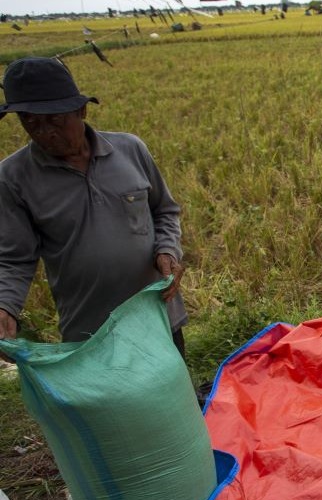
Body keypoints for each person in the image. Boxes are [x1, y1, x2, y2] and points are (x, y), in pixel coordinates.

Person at [0, 56, 187, 354]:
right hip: (91, 331)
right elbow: (14, 258)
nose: (44, 132)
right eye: (30, 121)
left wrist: (167, 250)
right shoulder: (13, 177)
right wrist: (5, 306)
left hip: (159, 315)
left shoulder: (130, 150)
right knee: (113, 402)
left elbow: (164, 210)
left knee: (174, 399)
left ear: (81, 110)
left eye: (54, 120)